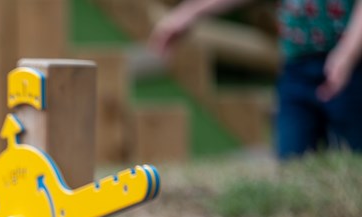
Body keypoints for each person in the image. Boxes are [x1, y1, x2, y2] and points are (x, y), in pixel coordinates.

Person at [150, 0, 362, 158]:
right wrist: (185, 15)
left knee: (353, 153)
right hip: (296, 66)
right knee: (292, 155)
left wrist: (348, 54)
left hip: (350, 67)